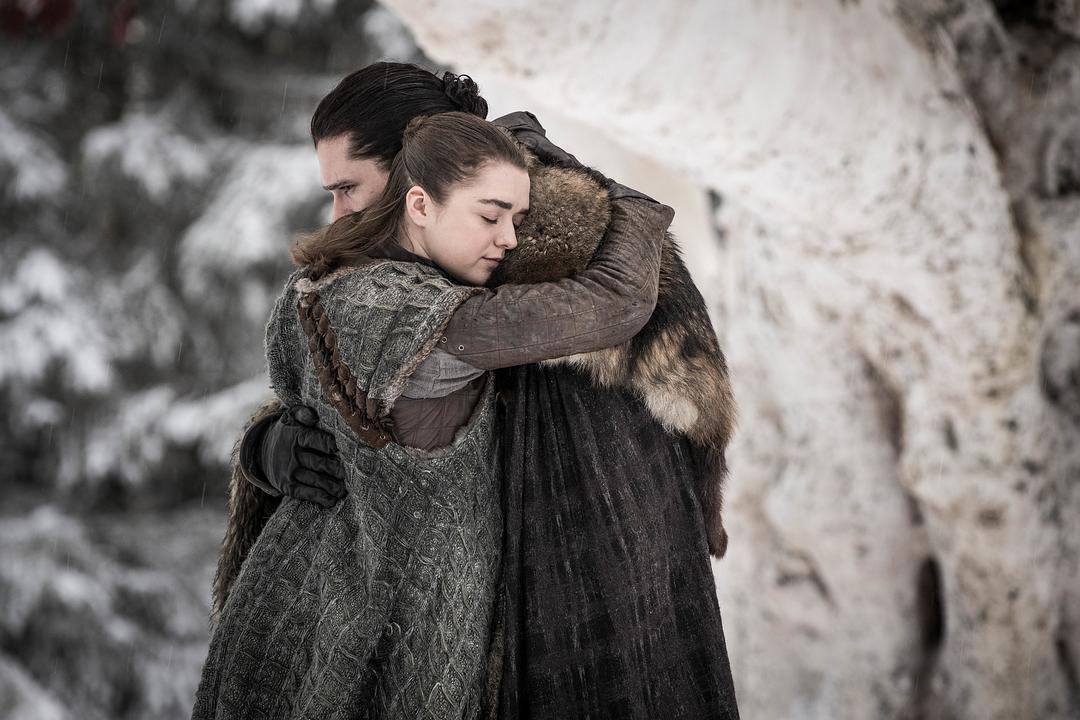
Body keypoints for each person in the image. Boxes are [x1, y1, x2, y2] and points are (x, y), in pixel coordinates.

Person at [193, 98, 678, 717]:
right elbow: (615, 303)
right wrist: (626, 201)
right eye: (491, 216)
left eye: (518, 218)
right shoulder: (412, 315)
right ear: (419, 204)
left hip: (308, 611)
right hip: (347, 642)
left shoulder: (324, 283)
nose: (509, 238)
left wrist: (263, 448)